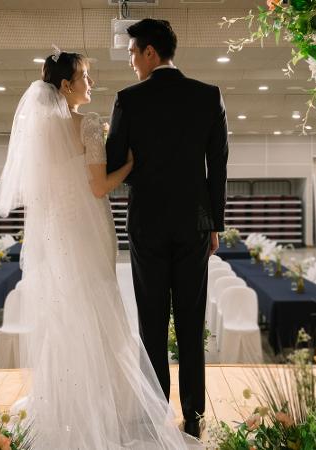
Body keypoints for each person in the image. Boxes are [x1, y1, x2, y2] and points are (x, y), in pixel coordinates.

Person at [0, 49, 199, 449]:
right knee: (101, 306)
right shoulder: (87, 124)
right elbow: (99, 186)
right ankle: (113, 411)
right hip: (90, 228)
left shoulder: (40, 132)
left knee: (69, 312)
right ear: (66, 85)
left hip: (58, 233)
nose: (92, 83)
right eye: (85, 77)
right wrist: (130, 166)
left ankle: (68, 404)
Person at [105, 18, 229, 438]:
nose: (131, 64)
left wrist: (138, 166)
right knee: (192, 320)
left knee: (152, 321)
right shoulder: (208, 96)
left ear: (150, 53)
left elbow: (115, 164)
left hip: (147, 224)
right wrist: (215, 222)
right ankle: (194, 414)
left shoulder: (128, 99)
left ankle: (156, 411)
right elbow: (219, 166)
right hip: (195, 223)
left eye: (132, 55)